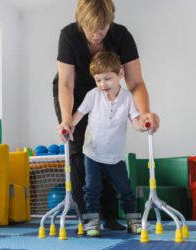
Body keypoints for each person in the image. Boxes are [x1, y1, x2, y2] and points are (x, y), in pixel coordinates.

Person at [52, 0, 159, 231]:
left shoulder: (122, 36)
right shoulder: (69, 36)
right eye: (91, 28)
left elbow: (136, 82)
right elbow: (67, 84)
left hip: (111, 90)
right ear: (81, 22)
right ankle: (89, 217)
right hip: (75, 92)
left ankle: (111, 217)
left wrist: (144, 115)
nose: (97, 34)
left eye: (103, 27)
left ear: (110, 21)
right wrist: (67, 119)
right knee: (80, 152)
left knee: (108, 151)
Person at [67, 51, 144, 236]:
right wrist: (68, 125)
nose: (103, 84)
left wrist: (143, 126)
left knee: (125, 189)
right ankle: (92, 221)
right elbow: (79, 114)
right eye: (98, 80)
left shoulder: (127, 97)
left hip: (115, 156)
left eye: (108, 78)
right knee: (91, 188)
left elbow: (134, 121)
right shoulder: (93, 95)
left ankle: (133, 220)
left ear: (120, 74)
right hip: (92, 152)